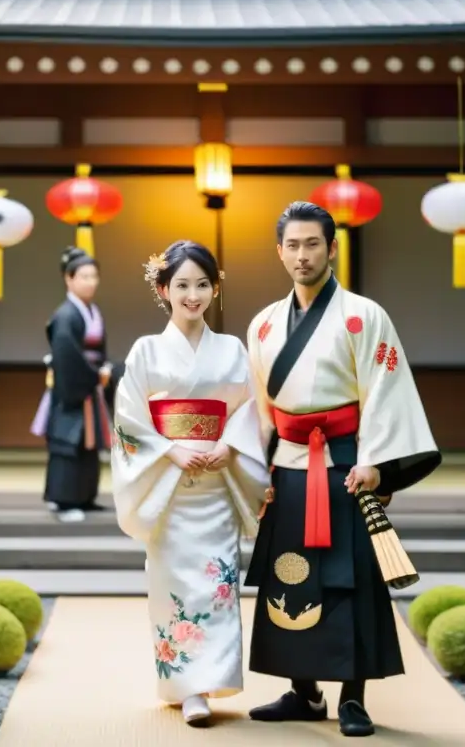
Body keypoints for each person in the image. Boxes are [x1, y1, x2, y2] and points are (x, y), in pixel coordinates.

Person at [244, 201, 442, 737]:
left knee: (348, 579)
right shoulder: (262, 325)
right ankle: (303, 692)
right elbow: (259, 409)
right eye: (292, 245)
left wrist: (376, 463)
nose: (302, 255)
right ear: (279, 250)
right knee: (291, 574)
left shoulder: (363, 314)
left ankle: (353, 697)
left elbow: (384, 391)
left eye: (313, 244)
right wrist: (254, 474)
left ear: (332, 248)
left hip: (346, 466)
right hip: (287, 466)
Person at [111, 240, 269, 727]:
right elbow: (129, 420)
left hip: (217, 487)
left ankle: (207, 684)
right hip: (169, 491)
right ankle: (186, 688)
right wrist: (171, 450)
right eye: (182, 285)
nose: (193, 294)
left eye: (203, 284)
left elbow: (253, 408)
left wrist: (232, 446)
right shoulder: (146, 350)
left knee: (218, 588)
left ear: (214, 288)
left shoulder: (232, 348)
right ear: (163, 289)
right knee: (174, 585)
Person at [32, 246, 117, 523]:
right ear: (69, 279)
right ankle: (64, 499)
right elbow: (66, 353)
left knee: (88, 444)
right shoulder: (66, 315)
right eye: (84, 276)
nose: (90, 281)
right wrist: (95, 375)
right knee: (68, 441)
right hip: (72, 387)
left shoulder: (92, 311)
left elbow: (97, 350)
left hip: (88, 385)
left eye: (94, 276)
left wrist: (102, 371)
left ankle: (83, 497)